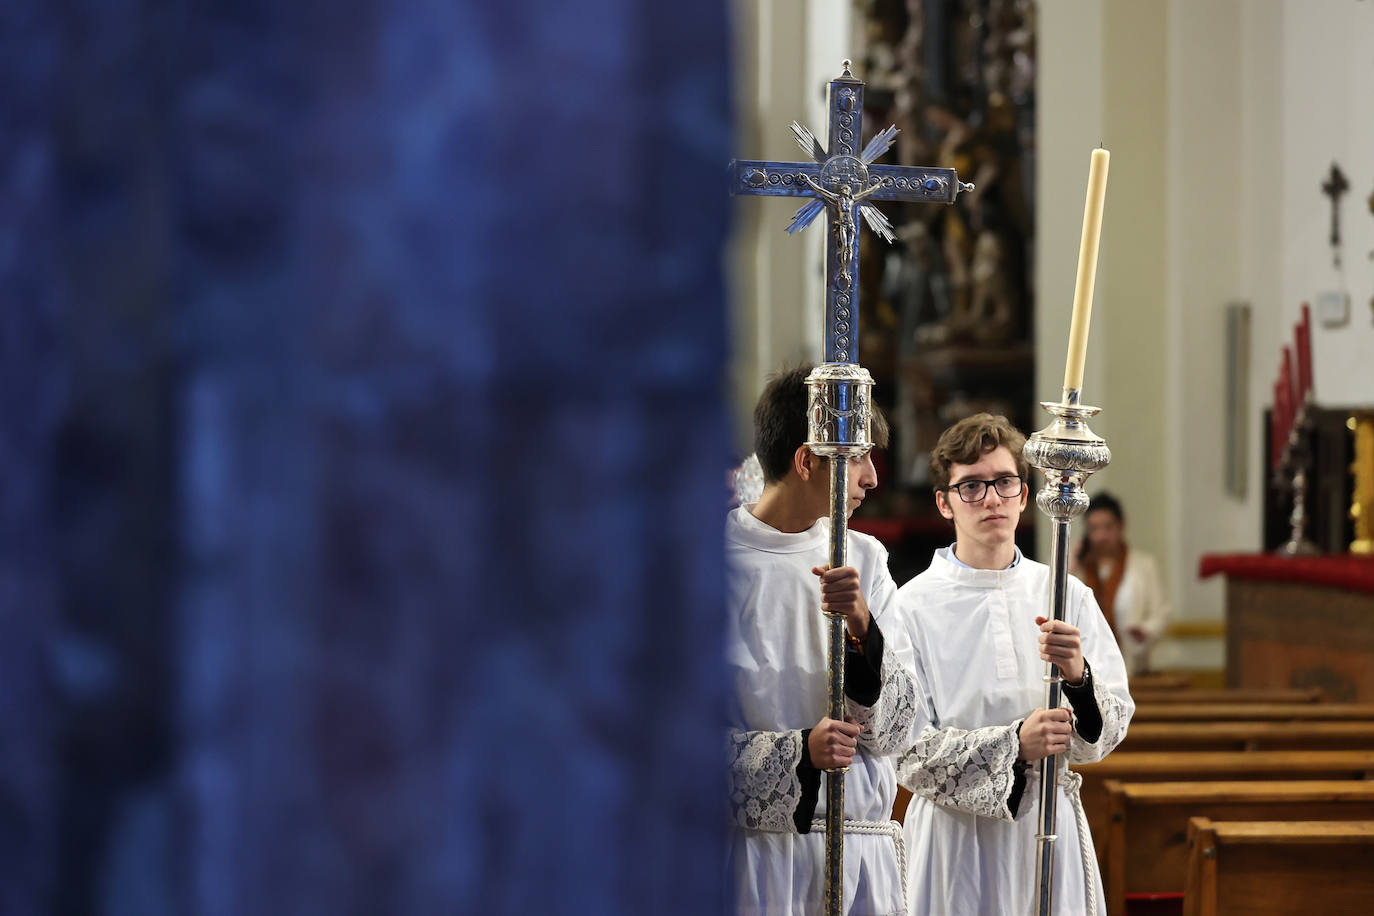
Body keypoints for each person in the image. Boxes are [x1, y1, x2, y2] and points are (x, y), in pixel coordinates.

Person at [893, 413, 1134, 915]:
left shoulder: (1066, 593)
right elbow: (904, 750)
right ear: (944, 502)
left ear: (1025, 495)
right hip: (954, 843)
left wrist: (1078, 679)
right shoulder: (910, 606)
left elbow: (1109, 729)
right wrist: (1013, 745)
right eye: (972, 487)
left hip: (1048, 826)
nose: (991, 499)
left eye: (1004, 482)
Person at [726, 366, 920, 916]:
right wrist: (798, 755)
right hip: (757, 862)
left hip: (861, 852)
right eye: (856, 456)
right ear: (807, 460)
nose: (872, 478)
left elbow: (901, 729)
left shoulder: (866, 558)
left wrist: (863, 629)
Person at [1070, 493, 1172, 677]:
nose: (1101, 536)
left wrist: (1145, 631)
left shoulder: (1143, 565)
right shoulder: (1078, 567)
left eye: (1108, 527)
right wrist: (1072, 563)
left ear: (1121, 525)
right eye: (1094, 529)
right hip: (1084, 664)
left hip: (1133, 664)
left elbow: (1161, 611)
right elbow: (1059, 603)